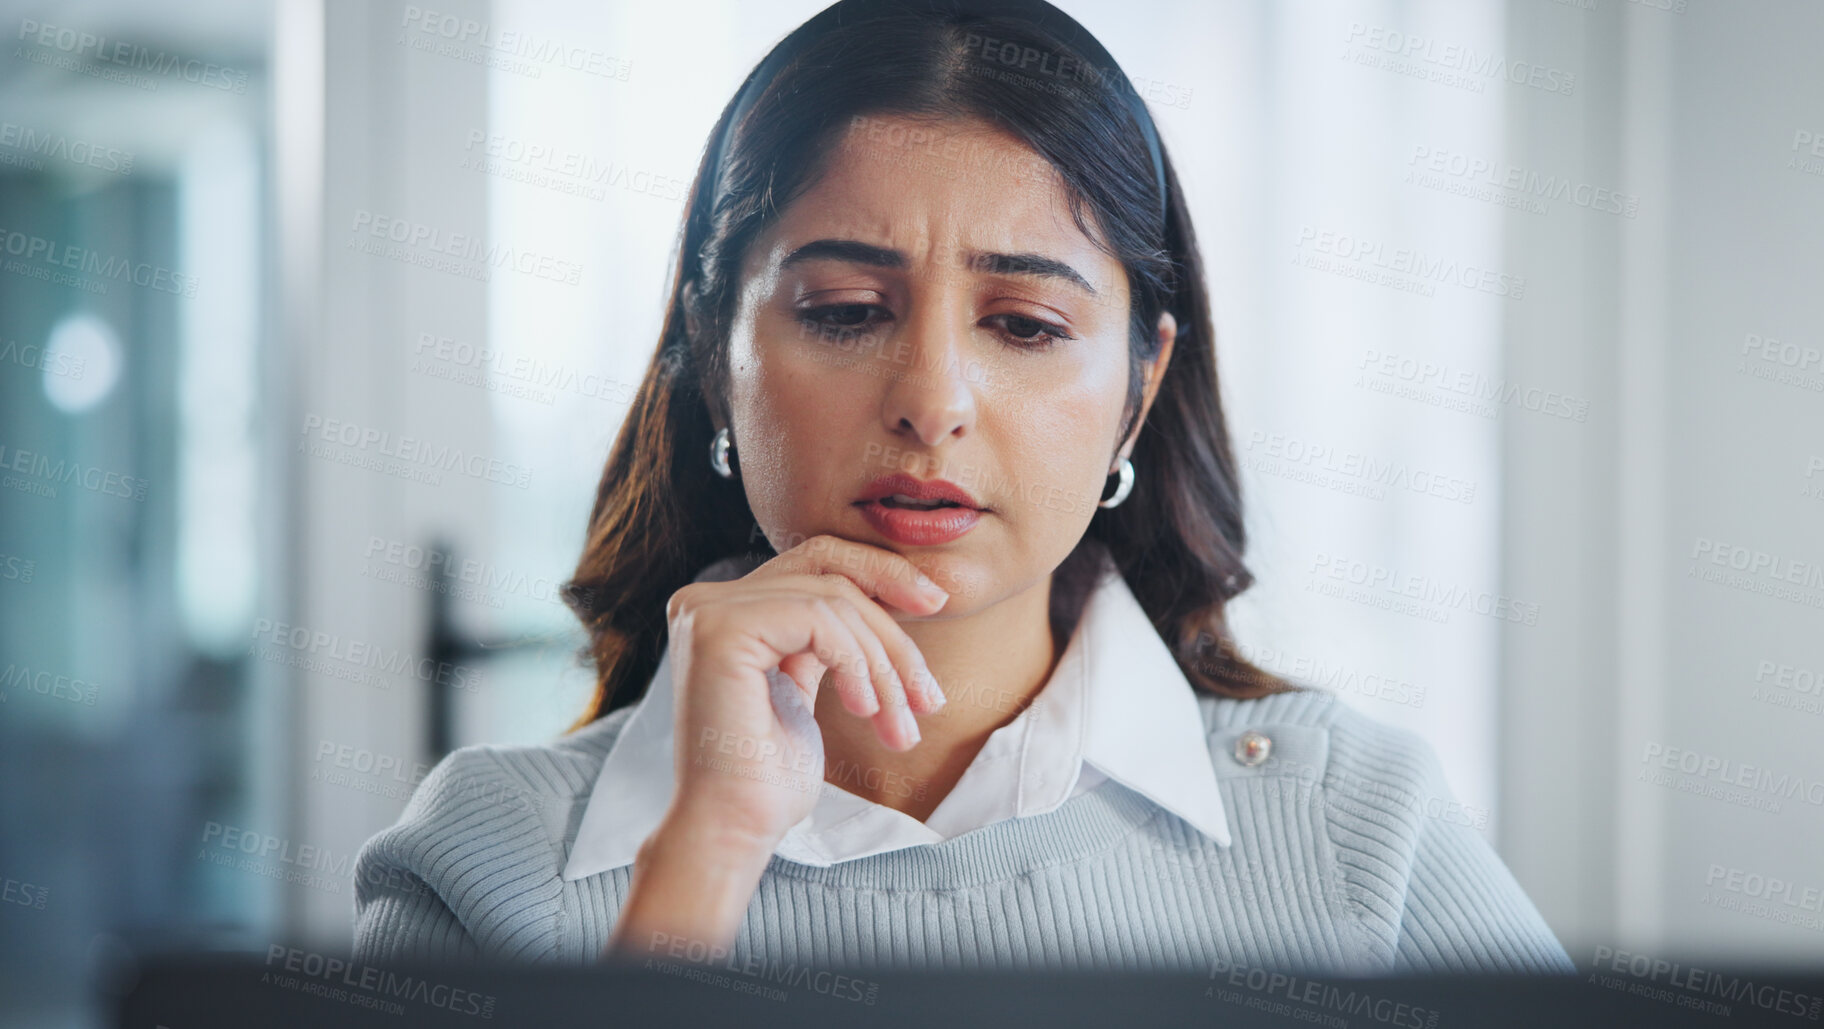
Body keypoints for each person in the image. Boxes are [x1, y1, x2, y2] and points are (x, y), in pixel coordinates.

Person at [352, 0, 1573, 976]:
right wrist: (703, 862)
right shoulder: (486, 863)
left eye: (1028, 325)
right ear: (711, 360)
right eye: (842, 312)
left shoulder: (1356, 823)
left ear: (1140, 389)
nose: (932, 400)